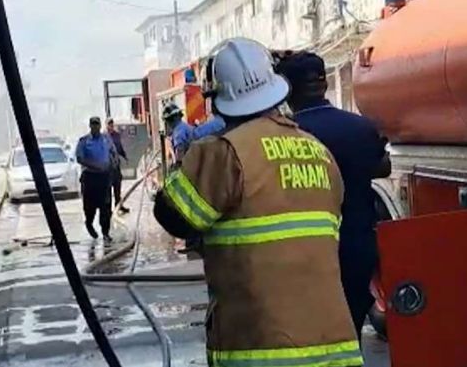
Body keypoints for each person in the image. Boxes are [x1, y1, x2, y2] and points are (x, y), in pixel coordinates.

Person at [154, 38, 362, 367]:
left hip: (262, 351)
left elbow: (172, 215)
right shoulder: (319, 153)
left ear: (218, 101)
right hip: (336, 349)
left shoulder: (224, 153)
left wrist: (189, 164)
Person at [276, 51, 390, 339]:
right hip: (357, 248)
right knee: (349, 332)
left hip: (308, 254)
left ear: (287, 89)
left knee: (312, 337)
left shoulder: (285, 136)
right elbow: (382, 168)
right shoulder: (361, 127)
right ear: (324, 84)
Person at [76, 116, 118, 242]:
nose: (95, 127)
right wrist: (94, 165)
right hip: (90, 178)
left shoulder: (106, 139)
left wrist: (114, 163)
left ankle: (105, 232)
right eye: (93, 124)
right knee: (90, 206)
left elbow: (113, 151)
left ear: (100, 126)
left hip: (104, 177)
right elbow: (79, 158)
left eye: (97, 124)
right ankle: (89, 223)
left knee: (105, 206)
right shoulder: (84, 141)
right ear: (90, 126)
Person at [106, 118, 130, 214]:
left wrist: (125, 156)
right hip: (107, 167)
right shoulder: (103, 136)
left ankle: (118, 205)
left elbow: (119, 148)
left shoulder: (116, 135)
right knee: (108, 190)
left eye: (112, 125)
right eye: (109, 125)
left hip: (116, 166)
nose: (111, 127)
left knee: (117, 187)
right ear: (106, 126)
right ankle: (108, 209)